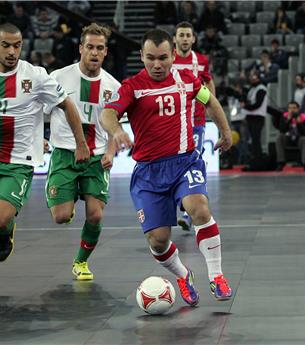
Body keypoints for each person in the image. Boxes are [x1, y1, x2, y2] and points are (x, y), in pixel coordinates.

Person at [0, 23, 90, 294]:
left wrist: (80, 143)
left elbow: (67, 105)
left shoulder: (36, 76)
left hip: (18, 161)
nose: (12, 51)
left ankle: (6, 233)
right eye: (6, 45)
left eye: (17, 46)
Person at [100, 29, 233, 304]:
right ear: (141, 56)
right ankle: (184, 276)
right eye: (150, 58)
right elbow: (108, 113)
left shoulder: (188, 80)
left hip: (185, 161)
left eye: (163, 58)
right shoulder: (133, 86)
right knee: (158, 242)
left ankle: (217, 276)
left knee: (199, 207)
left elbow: (211, 102)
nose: (157, 65)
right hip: (149, 172)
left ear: (173, 55)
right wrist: (116, 132)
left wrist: (225, 131)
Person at [44, 23, 120, 281]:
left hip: (96, 157)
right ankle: (68, 198)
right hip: (65, 153)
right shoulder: (57, 78)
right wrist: (37, 140)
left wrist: (110, 151)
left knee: (96, 215)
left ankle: (81, 262)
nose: (94, 53)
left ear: (106, 52)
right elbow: (38, 112)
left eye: (100, 48)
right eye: (90, 47)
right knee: (60, 217)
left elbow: (114, 124)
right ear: (80, 48)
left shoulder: (113, 85)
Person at [172, 21, 215, 232]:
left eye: (188, 35)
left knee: (193, 159)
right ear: (175, 39)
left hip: (195, 121)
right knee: (174, 161)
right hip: (172, 121)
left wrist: (211, 104)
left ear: (194, 38)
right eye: (181, 35)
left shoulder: (201, 61)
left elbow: (208, 82)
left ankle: (187, 211)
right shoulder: (168, 59)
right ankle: (177, 202)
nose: (185, 39)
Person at [275, 101, 305, 171]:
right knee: (279, 137)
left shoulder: (304, 117)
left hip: (299, 139)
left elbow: (304, 132)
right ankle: (281, 162)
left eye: (294, 108)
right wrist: (288, 120)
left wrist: (299, 122)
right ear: (288, 109)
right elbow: (282, 130)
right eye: (290, 108)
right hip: (288, 138)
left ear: (298, 109)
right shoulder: (284, 116)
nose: (292, 110)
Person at [241, 71, 268, 161]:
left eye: (255, 78)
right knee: (253, 139)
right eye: (252, 78)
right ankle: (255, 157)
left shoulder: (261, 89)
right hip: (251, 116)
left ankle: (258, 158)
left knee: (256, 138)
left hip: (258, 116)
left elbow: (257, 104)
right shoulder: (252, 89)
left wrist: (246, 106)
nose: (252, 79)